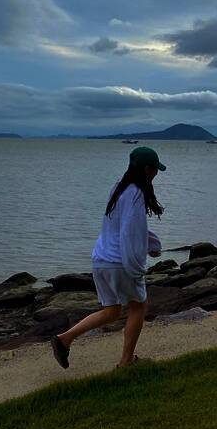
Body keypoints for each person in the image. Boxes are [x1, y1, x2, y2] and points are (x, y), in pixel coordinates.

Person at [51, 147, 166, 369]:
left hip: (101, 260)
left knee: (111, 312)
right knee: (138, 306)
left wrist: (152, 244)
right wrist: (136, 267)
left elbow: (123, 227)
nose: (156, 174)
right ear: (146, 169)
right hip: (119, 262)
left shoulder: (119, 189)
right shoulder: (136, 193)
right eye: (154, 169)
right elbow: (129, 232)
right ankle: (126, 361)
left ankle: (64, 339)